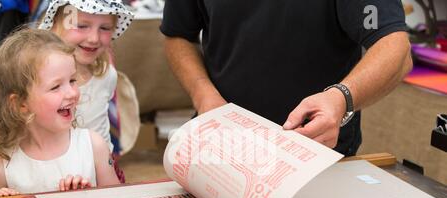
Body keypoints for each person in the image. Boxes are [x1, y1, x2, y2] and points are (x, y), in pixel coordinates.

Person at [160, 0, 413, 156]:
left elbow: (394, 46)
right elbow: (178, 34)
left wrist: (340, 98)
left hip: (312, 151)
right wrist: (204, 95)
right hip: (222, 142)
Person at [0, 28, 120, 196]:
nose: (72, 93)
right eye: (55, 87)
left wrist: (88, 197)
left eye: (72, 80)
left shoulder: (94, 146)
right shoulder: (3, 162)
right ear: (21, 103)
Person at [39, 0, 134, 181]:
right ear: (55, 24)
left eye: (105, 28)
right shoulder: (38, 76)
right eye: (81, 26)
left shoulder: (106, 75)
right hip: (54, 174)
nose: (94, 38)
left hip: (101, 172)